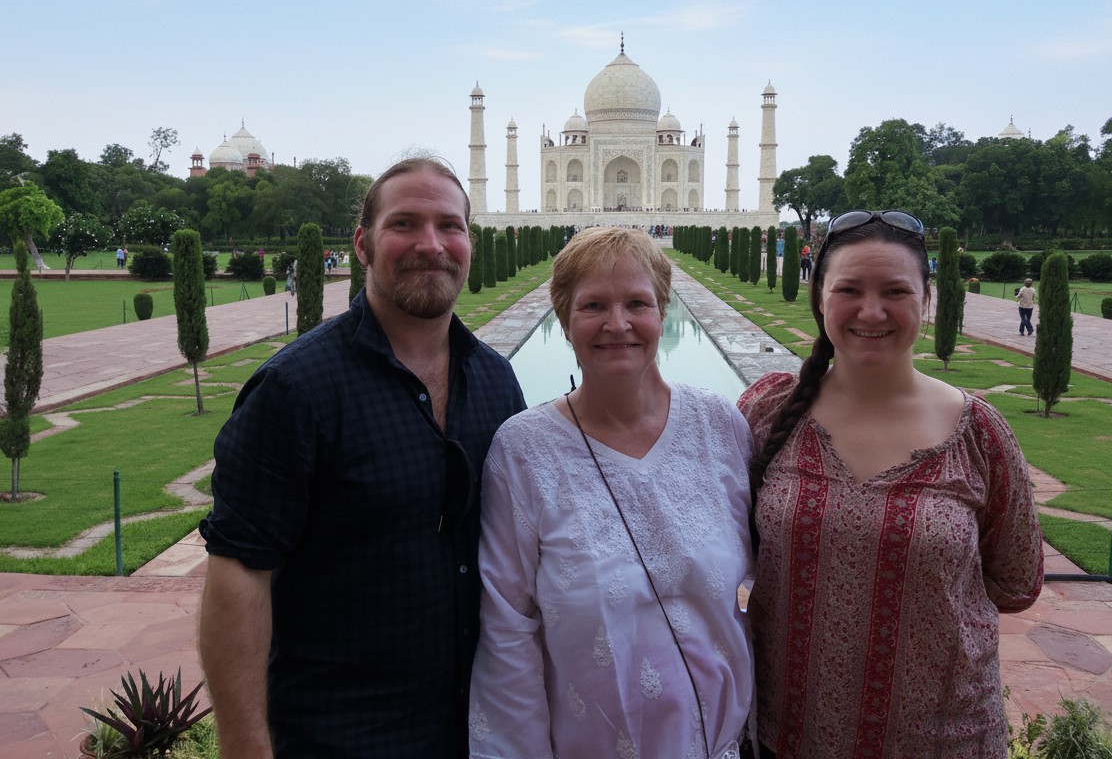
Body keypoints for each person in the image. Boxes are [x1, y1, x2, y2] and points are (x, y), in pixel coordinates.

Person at [198, 155, 526, 759]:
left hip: (477, 731)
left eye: (449, 226)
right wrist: (244, 745)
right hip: (341, 733)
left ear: (469, 243)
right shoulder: (297, 391)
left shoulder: (496, 382)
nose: (431, 244)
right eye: (405, 223)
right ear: (363, 245)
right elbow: (240, 574)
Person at [738, 209, 1043, 758]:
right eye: (849, 289)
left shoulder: (978, 433)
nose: (871, 311)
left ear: (925, 299)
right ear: (820, 298)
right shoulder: (768, 412)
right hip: (786, 735)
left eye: (895, 291)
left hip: (942, 739)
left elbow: (1016, 582)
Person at [469, 227, 755, 759]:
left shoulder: (721, 427)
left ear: (664, 311)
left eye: (637, 304)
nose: (617, 324)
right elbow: (508, 630)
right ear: (564, 319)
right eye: (593, 305)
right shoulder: (524, 451)